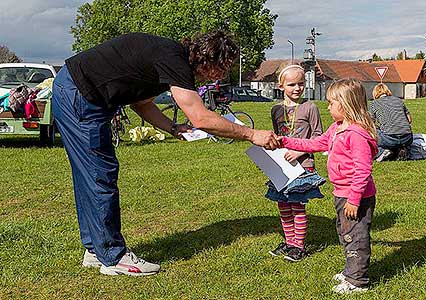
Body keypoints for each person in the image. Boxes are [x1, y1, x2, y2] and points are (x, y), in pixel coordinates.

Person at [52, 30, 279, 277]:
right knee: (99, 174)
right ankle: (113, 256)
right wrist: (251, 134)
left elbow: (142, 104)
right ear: (205, 59)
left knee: (91, 175)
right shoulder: (174, 60)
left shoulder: (168, 60)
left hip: (74, 89)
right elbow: (201, 118)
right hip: (80, 96)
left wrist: (172, 128)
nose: (221, 76)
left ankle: (96, 250)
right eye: (220, 68)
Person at [276, 79, 378, 294]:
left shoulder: (356, 135)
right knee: (345, 233)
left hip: (355, 197)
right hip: (342, 194)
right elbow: (315, 144)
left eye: (331, 103)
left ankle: (357, 281)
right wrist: (285, 141)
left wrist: (354, 199)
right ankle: (352, 270)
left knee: (356, 236)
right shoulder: (337, 128)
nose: (328, 107)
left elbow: (363, 171)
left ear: (346, 104)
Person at [266, 64, 326, 262]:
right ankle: (289, 241)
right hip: (282, 166)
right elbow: (279, 137)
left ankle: (298, 246)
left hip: (303, 166)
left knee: (297, 206)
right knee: (283, 204)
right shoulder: (276, 110)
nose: (297, 88)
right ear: (281, 86)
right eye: (291, 84)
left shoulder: (310, 107)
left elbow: (319, 138)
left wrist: (299, 151)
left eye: (301, 83)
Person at [369, 83, 413, 161]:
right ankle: (401, 150)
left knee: (372, 133)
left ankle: (381, 152)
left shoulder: (373, 104)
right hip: (407, 138)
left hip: (389, 138)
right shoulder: (399, 101)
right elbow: (409, 120)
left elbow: (370, 124)